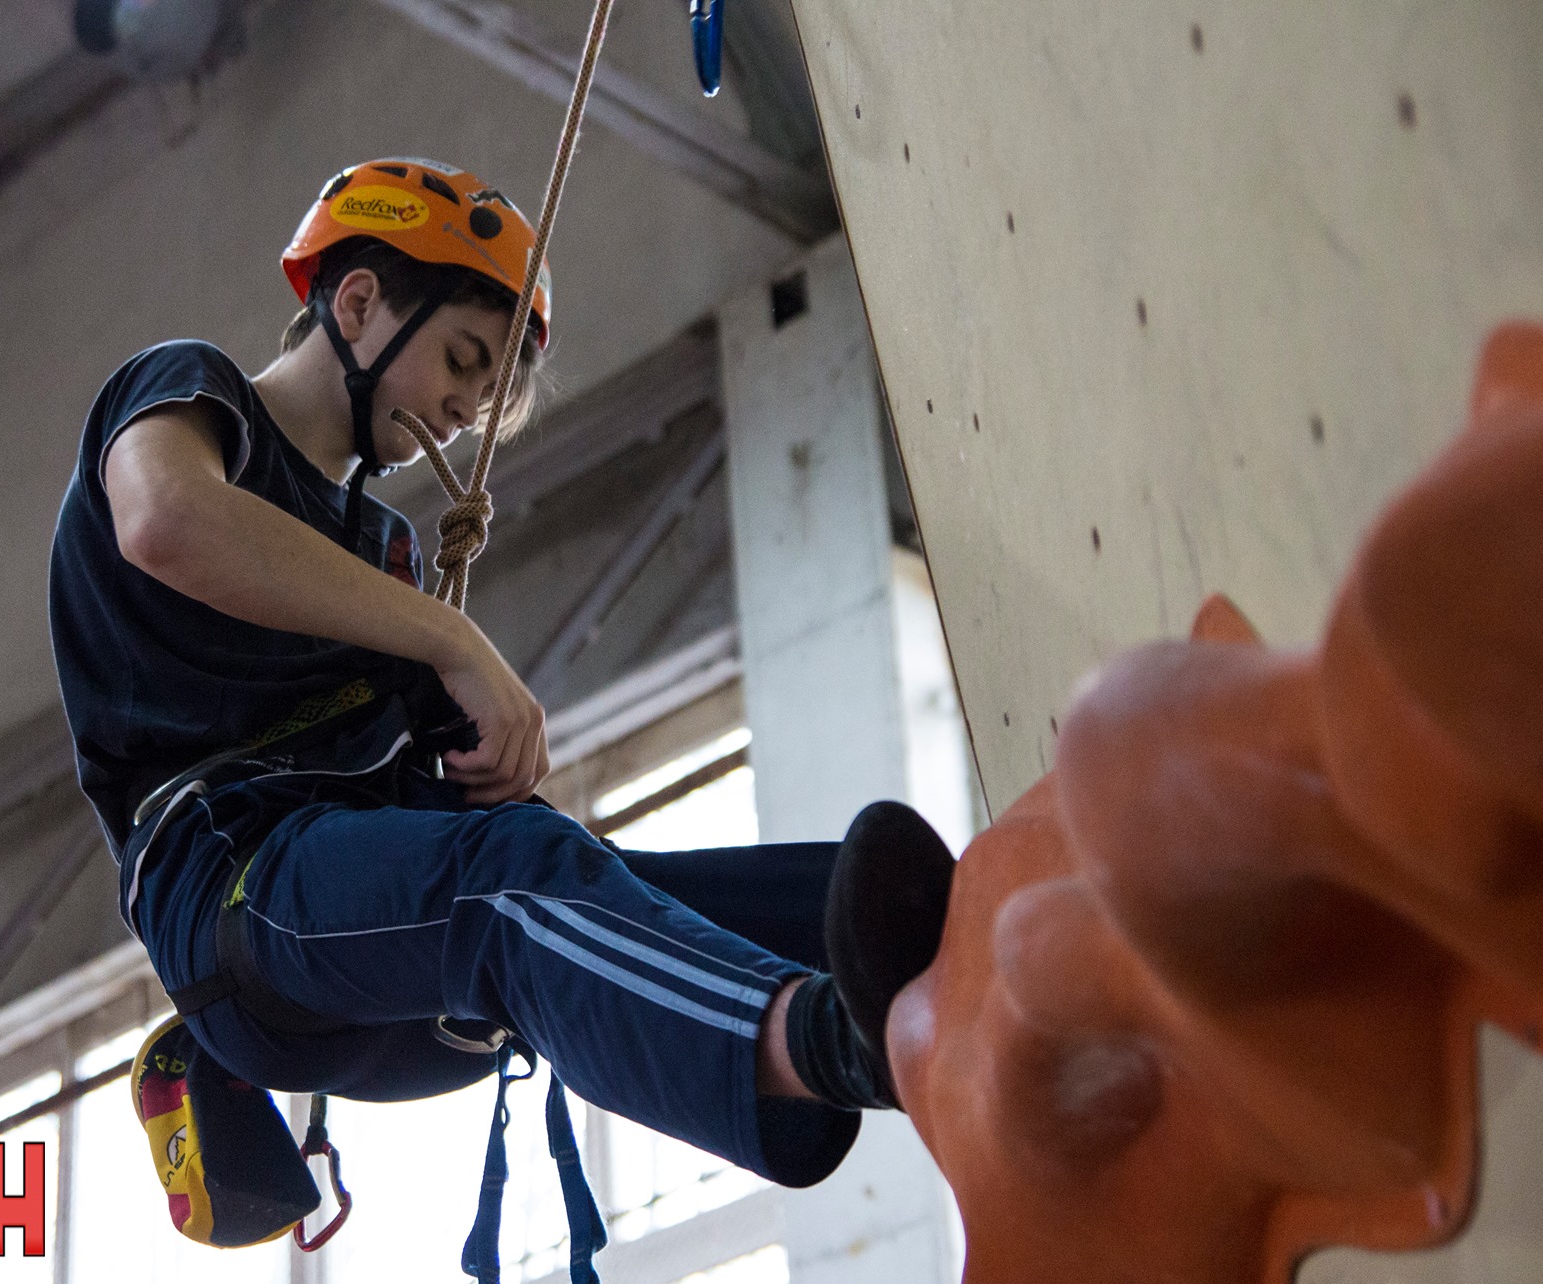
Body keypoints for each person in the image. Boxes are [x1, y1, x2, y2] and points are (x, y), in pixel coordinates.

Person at [47, 157, 955, 1209]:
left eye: (484, 398)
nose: (461, 410)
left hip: (374, 945)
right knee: (515, 879)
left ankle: (955, 948)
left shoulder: (376, 549)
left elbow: (435, 798)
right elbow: (164, 521)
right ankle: (815, 1052)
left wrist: (474, 741)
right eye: (461, 360)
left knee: (648, 888)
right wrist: (453, 643)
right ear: (355, 302)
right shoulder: (189, 396)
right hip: (232, 885)